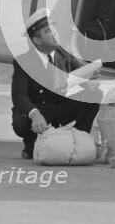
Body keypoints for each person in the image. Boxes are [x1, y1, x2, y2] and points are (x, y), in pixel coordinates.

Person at [11, 8, 101, 159]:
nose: (55, 34)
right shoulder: (23, 62)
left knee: (93, 95)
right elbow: (19, 95)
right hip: (39, 110)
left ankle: (80, 139)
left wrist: (90, 84)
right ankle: (31, 143)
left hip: (59, 107)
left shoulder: (64, 55)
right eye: (48, 31)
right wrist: (35, 115)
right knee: (36, 149)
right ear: (37, 40)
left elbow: (83, 75)